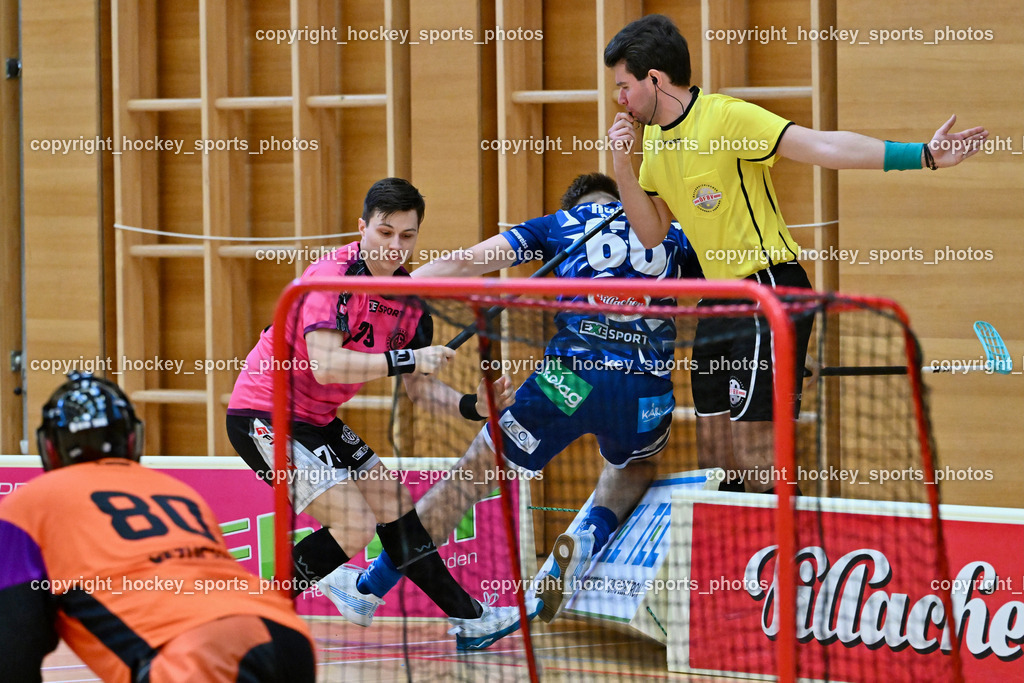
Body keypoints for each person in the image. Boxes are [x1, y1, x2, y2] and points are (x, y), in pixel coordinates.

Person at [603, 14, 989, 493]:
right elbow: (651, 233)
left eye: (624, 86)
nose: (619, 99)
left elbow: (824, 145)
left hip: (768, 290)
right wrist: (623, 162)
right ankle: (740, 564)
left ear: (655, 80)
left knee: (756, 454)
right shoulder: (655, 144)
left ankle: (791, 562)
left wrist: (923, 155)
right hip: (715, 304)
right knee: (719, 459)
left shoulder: (725, 117)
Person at [357, 172, 703, 623]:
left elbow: (465, 262)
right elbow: (731, 285)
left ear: (575, 204)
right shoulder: (671, 234)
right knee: (637, 463)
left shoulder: (559, 224)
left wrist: (395, 287)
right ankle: (591, 537)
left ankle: (369, 587)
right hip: (644, 388)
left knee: (464, 483)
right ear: (626, 199)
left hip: (569, 380)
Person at [225, 177, 533, 651]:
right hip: (265, 414)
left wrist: (474, 406)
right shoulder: (333, 279)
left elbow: (421, 392)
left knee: (395, 505)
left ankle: (470, 619)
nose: (395, 246)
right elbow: (325, 366)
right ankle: (250, 620)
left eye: (407, 236)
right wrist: (409, 358)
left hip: (318, 420)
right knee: (352, 526)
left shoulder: (411, 306)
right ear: (363, 227)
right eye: (385, 232)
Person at [0, 372, 315, 683]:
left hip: (198, 654)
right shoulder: (177, 491)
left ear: (50, 449)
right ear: (132, 439)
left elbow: (14, 646)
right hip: (288, 636)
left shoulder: (24, 506)